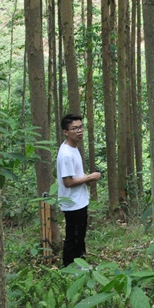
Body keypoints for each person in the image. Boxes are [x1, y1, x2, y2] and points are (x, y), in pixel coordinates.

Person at [57, 114, 102, 267]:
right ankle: (69, 267)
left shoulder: (73, 148)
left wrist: (86, 179)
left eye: (81, 127)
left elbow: (75, 175)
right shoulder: (66, 154)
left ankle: (81, 264)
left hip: (79, 200)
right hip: (72, 203)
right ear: (65, 132)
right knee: (73, 237)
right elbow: (68, 182)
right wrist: (90, 177)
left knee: (80, 235)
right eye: (75, 128)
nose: (79, 131)